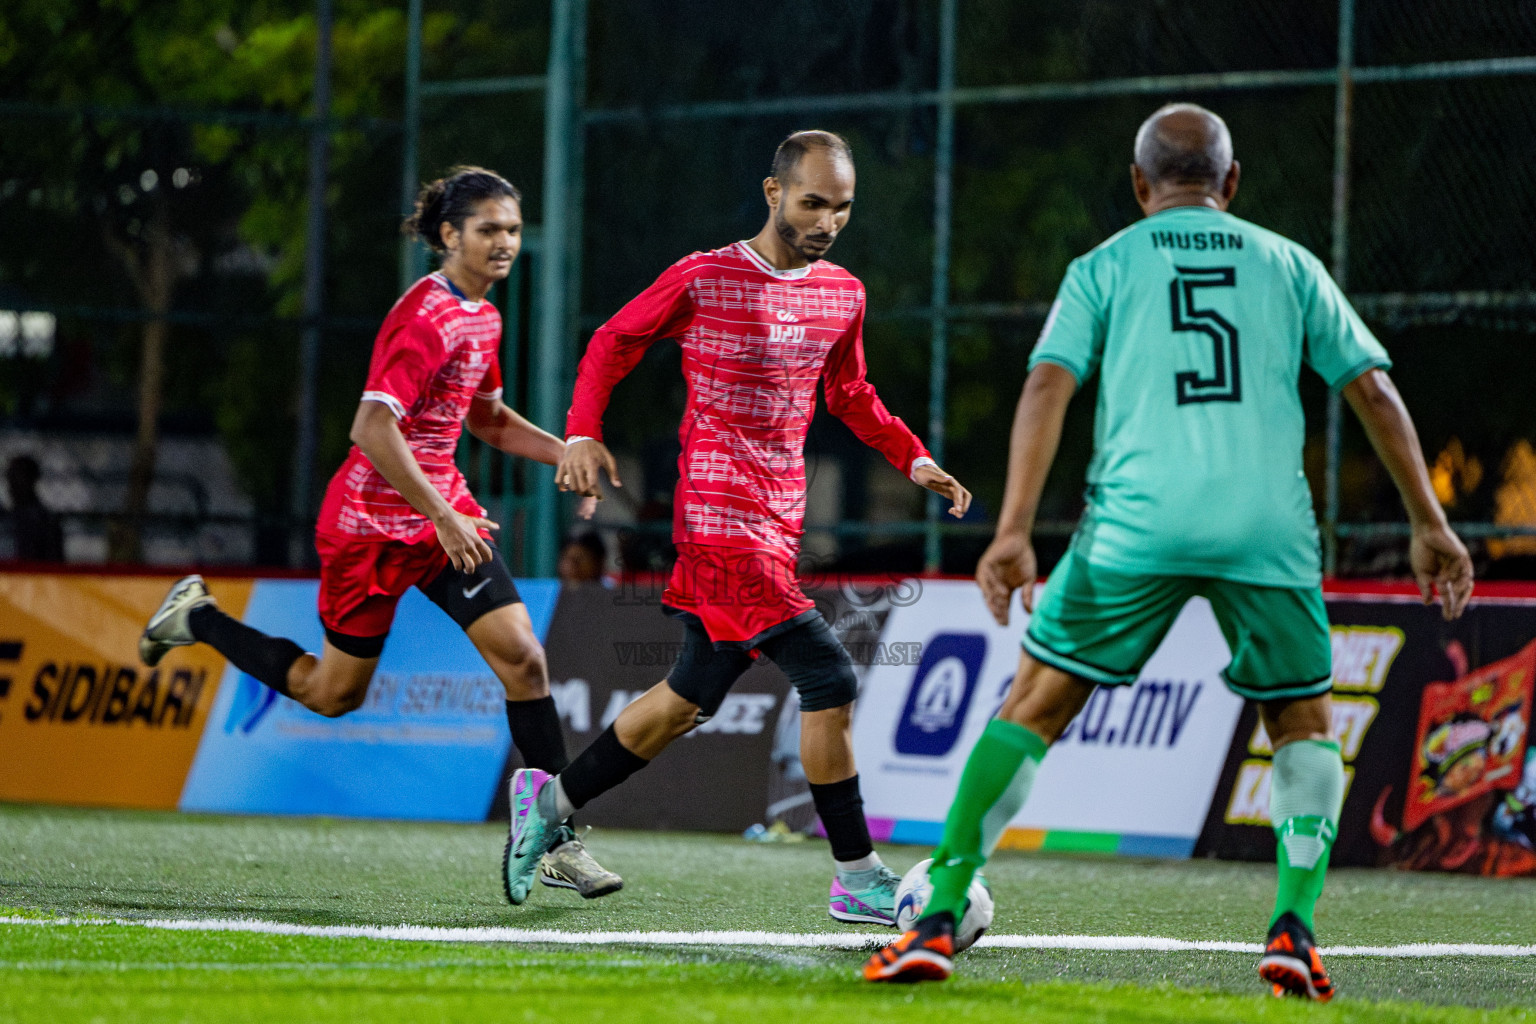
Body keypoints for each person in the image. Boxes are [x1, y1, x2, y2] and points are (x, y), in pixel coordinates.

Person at [865, 104, 1475, 994]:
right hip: (1267, 529)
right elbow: (1373, 390)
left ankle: (941, 908)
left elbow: (1047, 383)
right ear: (1231, 182)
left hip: (1137, 523)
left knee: (1034, 703)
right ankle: (1294, 928)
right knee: (1302, 722)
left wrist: (1012, 532)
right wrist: (1431, 521)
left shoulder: (1104, 265)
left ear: (1139, 184)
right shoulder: (1288, 262)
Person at [500, 130, 973, 916]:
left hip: (777, 523)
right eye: (813, 202)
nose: (826, 221)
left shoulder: (842, 294)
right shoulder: (705, 276)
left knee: (689, 694)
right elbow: (614, 341)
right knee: (829, 675)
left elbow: (850, 394)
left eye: (842, 207)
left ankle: (547, 811)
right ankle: (857, 879)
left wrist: (914, 459)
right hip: (717, 519)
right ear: (772, 192)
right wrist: (582, 429)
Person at [138, 166, 622, 901]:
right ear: (449, 235)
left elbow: (484, 418)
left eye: (513, 229)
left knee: (525, 660)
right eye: (488, 229)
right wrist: (440, 512)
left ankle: (554, 838)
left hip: (440, 522)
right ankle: (197, 615)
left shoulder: (483, 316)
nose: (504, 243)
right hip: (370, 528)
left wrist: (566, 451)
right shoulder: (424, 316)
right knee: (332, 694)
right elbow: (372, 427)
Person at [5, 455, 65, 561]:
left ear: (31, 480)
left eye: (17, 478)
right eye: (10, 478)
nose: (12, 485)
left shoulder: (45, 522)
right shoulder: (9, 518)